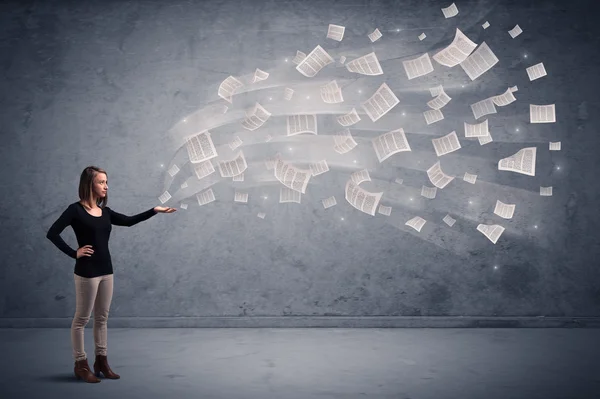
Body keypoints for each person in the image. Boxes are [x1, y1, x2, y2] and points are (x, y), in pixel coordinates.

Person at [46, 166, 176, 383]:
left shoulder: (105, 212)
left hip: (107, 270)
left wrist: (154, 210)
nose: (106, 186)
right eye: (101, 182)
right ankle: (81, 364)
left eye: (106, 182)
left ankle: (101, 362)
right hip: (86, 272)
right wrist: (74, 253)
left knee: (102, 318)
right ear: (89, 184)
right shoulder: (75, 210)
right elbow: (52, 233)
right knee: (81, 319)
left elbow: (129, 220)